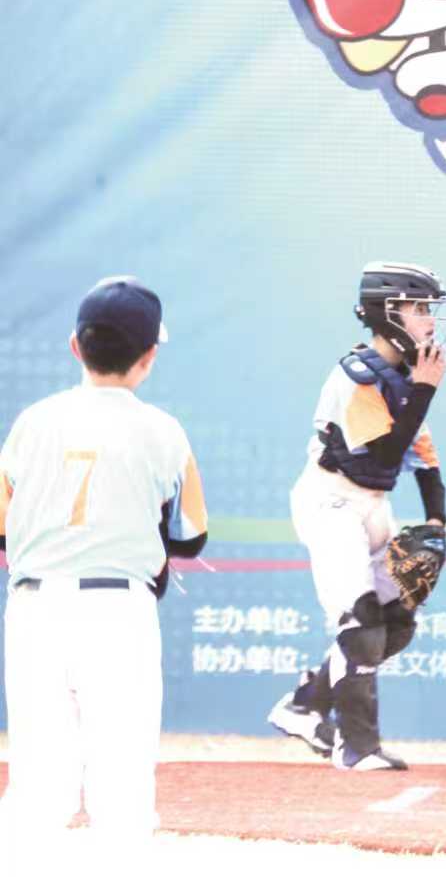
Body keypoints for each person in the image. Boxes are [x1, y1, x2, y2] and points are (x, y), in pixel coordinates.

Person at [0, 275, 209, 842]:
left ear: (76, 346)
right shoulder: (164, 432)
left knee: (37, 787)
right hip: (118, 609)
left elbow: (2, 527)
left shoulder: (32, 423)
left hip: (34, 606)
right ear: (149, 357)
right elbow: (192, 536)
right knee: (122, 785)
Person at [267, 261, 446, 771]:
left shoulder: (402, 378)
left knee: (395, 623)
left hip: (371, 503)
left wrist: (437, 524)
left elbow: (424, 457)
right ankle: (356, 747)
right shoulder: (358, 377)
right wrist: (425, 389)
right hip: (331, 503)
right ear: (387, 313)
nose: (429, 319)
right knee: (362, 621)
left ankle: (304, 706)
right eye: (418, 308)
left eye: (429, 308)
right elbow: (386, 451)